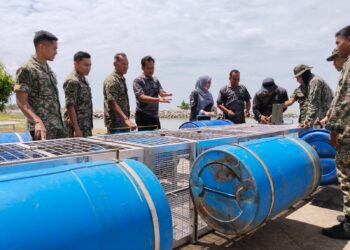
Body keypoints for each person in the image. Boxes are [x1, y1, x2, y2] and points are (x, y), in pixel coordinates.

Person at [322, 25, 350, 240]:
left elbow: (344, 101)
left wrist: (333, 130)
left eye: (338, 42)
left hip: (346, 133)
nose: (337, 46)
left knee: (347, 177)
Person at [15, 30, 65, 140]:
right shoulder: (27, 69)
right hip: (41, 131)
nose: (56, 52)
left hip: (57, 128)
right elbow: (21, 102)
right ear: (42, 47)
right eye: (54, 48)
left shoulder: (48, 69)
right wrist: (36, 121)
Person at [133, 56, 172, 131]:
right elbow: (141, 97)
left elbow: (160, 91)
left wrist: (163, 94)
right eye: (148, 68)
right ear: (142, 68)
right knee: (145, 139)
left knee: (158, 138)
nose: (151, 70)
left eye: (152, 68)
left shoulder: (155, 80)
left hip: (154, 115)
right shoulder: (138, 81)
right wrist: (159, 100)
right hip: (143, 115)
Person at [103, 53, 136, 133]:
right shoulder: (112, 80)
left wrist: (126, 120)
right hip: (115, 123)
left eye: (127, 64)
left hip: (123, 123)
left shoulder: (121, 79)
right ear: (115, 64)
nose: (126, 66)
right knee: (115, 145)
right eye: (123, 64)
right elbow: (112, 102)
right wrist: (126, 119)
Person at [63, 51, 93, 137]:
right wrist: (76, 129)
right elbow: (70, 106)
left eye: (90, 65)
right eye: (86, 65)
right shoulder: (72, 80)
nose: (88, 68)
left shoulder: (83, 79)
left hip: (86, 126)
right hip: (75, 129)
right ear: (76, 64)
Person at [320, 48, 347, 125]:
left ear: (342, 57)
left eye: (335, 60)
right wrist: (327, 117)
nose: (333, 64)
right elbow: (337, 99)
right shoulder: (343, 75)